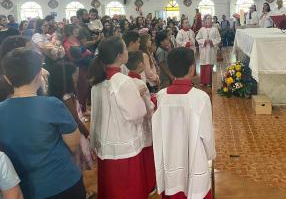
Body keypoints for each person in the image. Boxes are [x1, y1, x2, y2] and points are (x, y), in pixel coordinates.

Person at [0, 49, 84, 198]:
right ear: (39, 74)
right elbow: (73, 142)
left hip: (25, 188)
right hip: (63, 180)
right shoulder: (52, 104)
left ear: (7, 78)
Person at [88, 36, 148, 199]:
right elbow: (136, 114)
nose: (127, 52)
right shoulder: (123, 81)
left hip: (106, 144)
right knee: (126, 190)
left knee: (112, 189)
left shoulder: (98, 81)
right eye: (125, 49)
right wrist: (138, 95)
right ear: (119, 56)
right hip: (124, 144)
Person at [153, 47, 215, 199]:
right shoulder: (200, 97)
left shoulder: (161, 96)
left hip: (169, 158)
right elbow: (206, 134)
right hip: (194, 158)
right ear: (192, 67)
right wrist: (210, 154)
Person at [48, 61, 95, 178]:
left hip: (69, 134)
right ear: (66, 78)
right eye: (74, 75)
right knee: (77, 161)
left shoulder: (57, 96)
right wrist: (88, 134)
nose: (77, 77)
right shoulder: (67, 97)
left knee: (76, 162)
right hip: (75, 133)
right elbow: (75, 120)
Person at [125, 50, 157, 196]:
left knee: (139, 156)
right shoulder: (138, 82)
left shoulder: (126, 80)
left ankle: (143, 184)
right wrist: (154, 103)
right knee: (147, 155)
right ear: (140, 65)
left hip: (131, 128)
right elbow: (148, 107)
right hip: (143, 124)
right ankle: (150, 185)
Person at [63, 24, 93, 113]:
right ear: (70, 31)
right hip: (75, 68)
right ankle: (80, 110)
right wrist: (86, 54)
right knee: (79, 89)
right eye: (75, 30)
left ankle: (83, 108)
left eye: (77, 30)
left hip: (84, 67)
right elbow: (72, 57)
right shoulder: (66, 43)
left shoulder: (77, 40)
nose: (77, 31)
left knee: (85, 88)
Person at [196, 15, 221, 86]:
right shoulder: (201, 29)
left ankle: (209, 81)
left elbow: (218, 38)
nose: (210, 20)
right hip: (204, 50)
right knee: (203, 64)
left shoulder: (215, 29)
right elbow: (197, 38)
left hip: (211, 50)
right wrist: (204, 40)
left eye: (211, 18)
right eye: (208, 18)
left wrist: (211, 41)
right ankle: (203, 81)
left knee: (210, 64)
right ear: (205, 20)